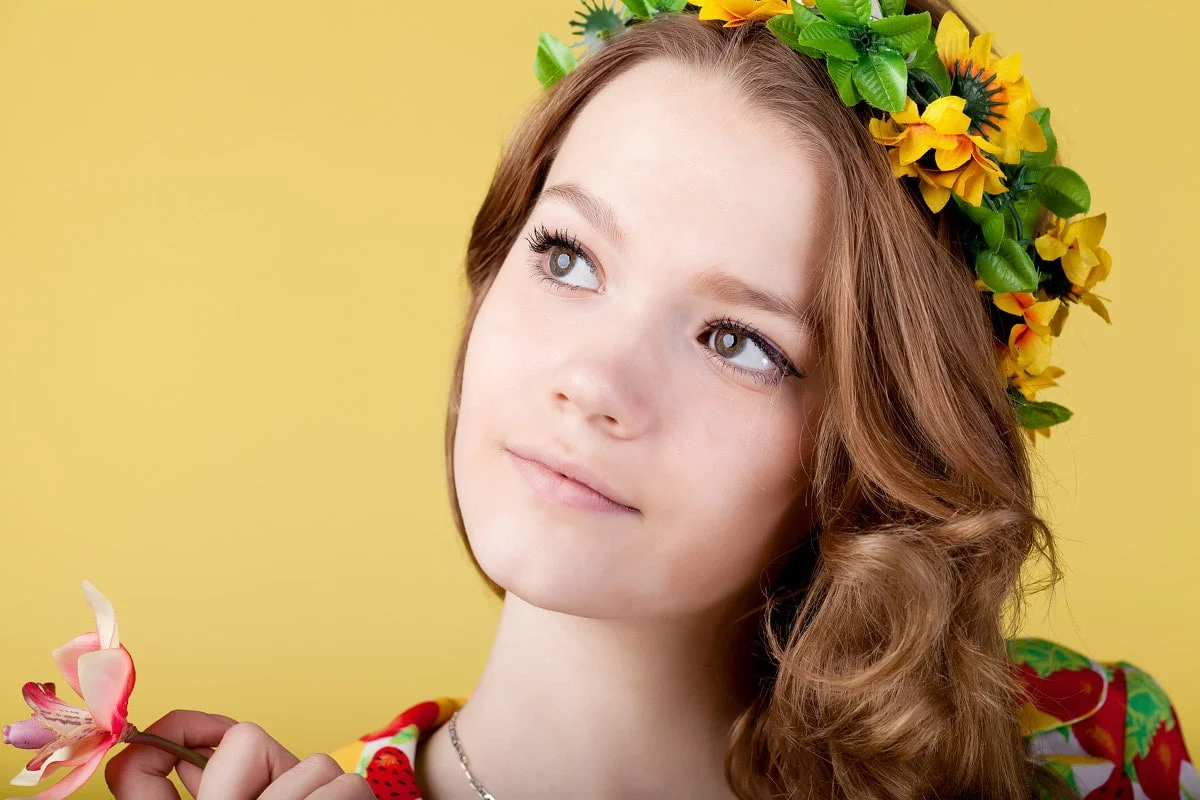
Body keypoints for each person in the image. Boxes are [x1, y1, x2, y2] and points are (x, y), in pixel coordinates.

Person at [103, 2, 1195, 799]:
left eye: (738, 340)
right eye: (568, 256)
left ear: (873, 448)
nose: (594, 381)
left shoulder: (1091, 754)